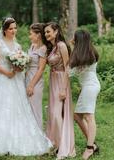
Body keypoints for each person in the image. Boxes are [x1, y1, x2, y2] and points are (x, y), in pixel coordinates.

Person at [0, 17, 52, 156]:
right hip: (1, 79)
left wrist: (19, 68)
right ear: (4, 30)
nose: (14, 31)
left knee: (17, 108)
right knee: (0, 107)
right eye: (11, 29)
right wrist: (7, 73)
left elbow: (22, 65)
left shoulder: (18, 46)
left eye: (15, 28)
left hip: (15, 80)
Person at [43, 22, 76, 159]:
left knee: (58, 114)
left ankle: (64, 146)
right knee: (53, 113)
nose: (46, 34)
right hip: (53, 80)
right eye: (45, 32)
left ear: (56, 32)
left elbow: (67, 68)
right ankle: (55, 143)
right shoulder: (52, 47)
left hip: (62, 80)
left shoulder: (62, 46)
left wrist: (63, 89)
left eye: (48, 32)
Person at [70, 30, 100, 160]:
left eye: (74, 38)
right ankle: (92, 144)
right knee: (77, 116)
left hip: (90, 87)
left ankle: (89, 148)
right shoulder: (85, 53)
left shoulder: (88, 56)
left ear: (79, 41)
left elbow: (71, 72)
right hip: (89, 87)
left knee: (89, 116)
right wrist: (73, 47)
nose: (72, 39)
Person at [25, 23, 47, 129]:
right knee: (27, 107)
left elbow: (41, 69)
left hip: (36, 80)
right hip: (27, 77)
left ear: (38, 35)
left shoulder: (43, 49)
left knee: (35, 107)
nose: (30, 36)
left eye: (31, 34)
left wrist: (31, 85)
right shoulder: (32, 46)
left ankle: (38, 134)